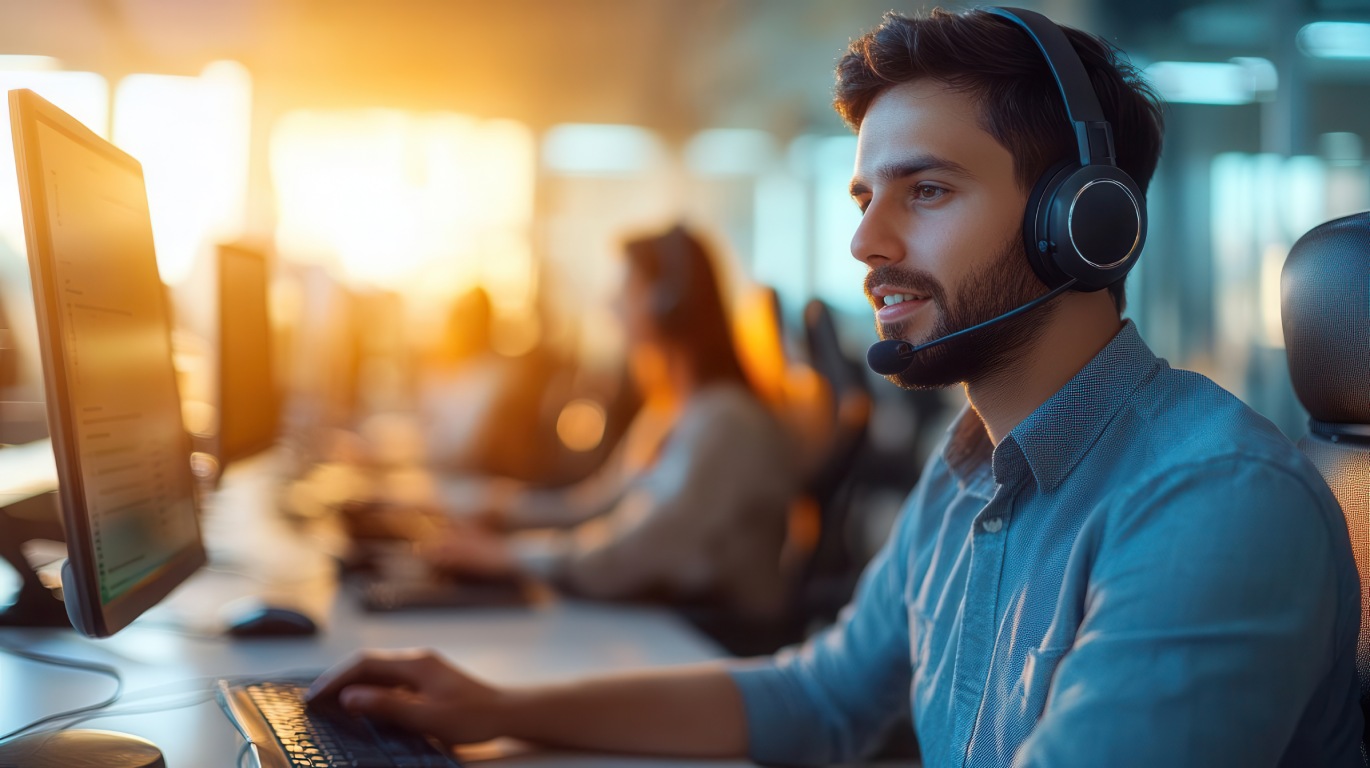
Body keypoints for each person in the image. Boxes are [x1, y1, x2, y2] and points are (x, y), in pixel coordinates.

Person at [307, 8, 1363, 766]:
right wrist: (495, 706)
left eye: (927, 190)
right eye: (864, 194)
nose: (865, 240)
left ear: (1079, 222)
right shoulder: (967, 479)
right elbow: (815, 698)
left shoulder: (1211, 502)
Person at [414, 224, 801, 627]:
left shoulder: (728, 423)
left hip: (715, 634)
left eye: (624, 289)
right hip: (669, 618)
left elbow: (639, 551)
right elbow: (596, 506)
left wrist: (509, 555)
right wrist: (497, 510)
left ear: (667, 301)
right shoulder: (668, 411)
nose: (610, 305)